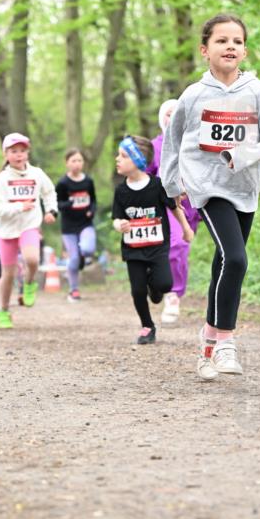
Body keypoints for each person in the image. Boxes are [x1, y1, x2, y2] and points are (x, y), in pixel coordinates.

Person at [160, 13, 260, 379]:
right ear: (205, 50)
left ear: (244, 51)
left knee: (224, 262)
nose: (230, 46)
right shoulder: (194, 95)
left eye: (236, 41)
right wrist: (173, 187)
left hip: (245, 187)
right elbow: (171, 142)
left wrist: (243, 156)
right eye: (221, 41)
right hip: (207, 186)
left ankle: (208, 345)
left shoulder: (258, 92)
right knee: (237, 258)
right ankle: (227, 342)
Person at [113, 135, 193, 345]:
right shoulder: (121, 191)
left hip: (157, 246)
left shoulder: (157, 186)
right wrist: (119, 225)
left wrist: (186, 229)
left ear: (138, 160)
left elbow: (174, 208)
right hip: (134, 249)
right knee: (137, 290)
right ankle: (147, 326)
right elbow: (116, 217)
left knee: (165, 285)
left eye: (123, 156)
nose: (117, 159)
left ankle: (154, 289)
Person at [0, 132, 57, 329]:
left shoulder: (37, 173)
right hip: (7, 230)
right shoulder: (2, 179)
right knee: (8, 274)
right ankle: (3, 310)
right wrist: (19, 206)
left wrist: (51, 210)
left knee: (33, 260)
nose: (18, 155)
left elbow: (49, 192)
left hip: (29, 225)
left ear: (27, 153)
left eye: (22, 151)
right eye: (13, 151)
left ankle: (28, 283)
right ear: (6, 154)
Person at [147, 100, 201, 325]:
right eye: (169, 114)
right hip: (167, 207)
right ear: (162, 118)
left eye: (177, 113)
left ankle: (162, 283)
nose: (173, 118)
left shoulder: (196, 143)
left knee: (182, 249)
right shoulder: (155, 146)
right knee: (176, 244)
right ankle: (172, 296)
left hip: (194, 205)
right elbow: (143, 176)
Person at [55, 148, 97, 302]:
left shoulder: (88, 181)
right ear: (67, 163)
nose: (77, 164)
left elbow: (93, 201)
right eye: (74, 161)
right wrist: (69, 203)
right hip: (69, 227)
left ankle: (81, 256)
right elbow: (57, 204)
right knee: (73, 260)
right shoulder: (63, 183)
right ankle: (74, 290)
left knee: (88, 249)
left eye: (80, 160)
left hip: (85, 223)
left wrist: (91, 211)